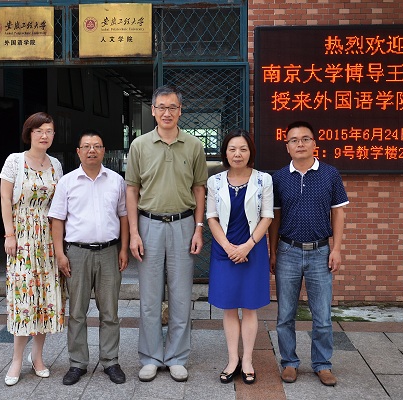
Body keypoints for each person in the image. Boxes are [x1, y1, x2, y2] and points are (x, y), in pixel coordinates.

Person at [125, 85, 208, 382]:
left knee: (181, 295)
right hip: (148, 224)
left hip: (183, 224)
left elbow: (199, 189)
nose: (167, 112)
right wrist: (134, 233)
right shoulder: (139, 145)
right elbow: (131, 190)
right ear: (153, 110)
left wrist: (199, 228)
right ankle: (150, 357)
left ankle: (176, 356)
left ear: (180, 110)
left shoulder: (194, 146)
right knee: (149, 296)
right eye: (161, 107)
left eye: (172, 107)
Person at [268, 120, 349, 387]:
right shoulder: (279, 178)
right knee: (285, 315)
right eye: (294, 140)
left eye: (305, 139)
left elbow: (338, 212)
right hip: (288, 251)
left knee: (322, 316)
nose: (300, 144)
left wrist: (336, 248)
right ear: (287, 146)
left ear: (314, 143)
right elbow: (275, 219)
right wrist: (273, 251)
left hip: (320, 252)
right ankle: (289, 362)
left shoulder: (329, 174)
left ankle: (322, 364)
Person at [48, 130, 129, 385]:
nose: (92, 150)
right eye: (86, 146)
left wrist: (124, 249)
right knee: (77, 312)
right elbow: (57, 220)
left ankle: (110, 361)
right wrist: (60, 254)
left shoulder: (116, 180)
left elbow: (124, 217)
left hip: (109, 252)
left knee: (110, 311)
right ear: (78, 152)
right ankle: (77, 363)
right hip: (77, 253)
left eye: (97, 146)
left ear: (104, 151)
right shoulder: (67, 182)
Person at [0, 112, 65, 386]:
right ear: (29, 133)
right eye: (39, 130)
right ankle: (17, 359)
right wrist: (9, 234)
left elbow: (60, 204)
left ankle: (37, 356)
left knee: (45, 299)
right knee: (23, 299)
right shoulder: (15, 161)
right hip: (22, 238)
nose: (44, 135)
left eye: (49, 131)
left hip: (48, 239)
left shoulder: (56, 165)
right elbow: (5, 198)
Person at [206, 129, 273, 385]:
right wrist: (228, 247)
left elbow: (267, 216)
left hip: (253, 250)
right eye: (232, 149)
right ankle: (233, 359)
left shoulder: (263, 180)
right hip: (224, 251)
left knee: (250, 307)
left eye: (243, 149)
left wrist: (247, 246)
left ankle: (248, 361)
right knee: (229, 307)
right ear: (225, 152)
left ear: (250, 152)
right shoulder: (215, 181)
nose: (237, 154)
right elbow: (211, 217)